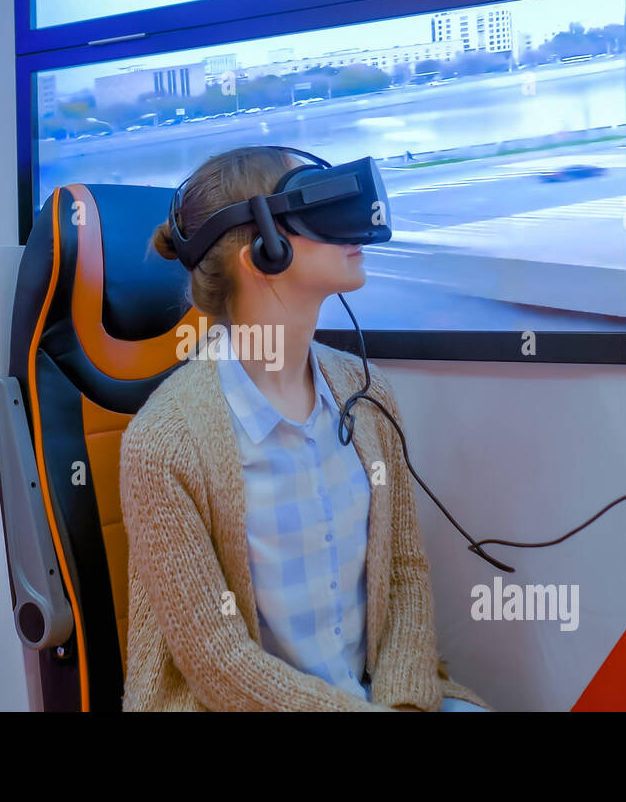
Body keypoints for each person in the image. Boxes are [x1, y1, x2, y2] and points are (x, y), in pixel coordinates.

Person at [119, 145, 491, 712]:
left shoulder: (364, 394)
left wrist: (403, 705)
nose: (354, 228)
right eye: (315, 207)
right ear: (260, 251)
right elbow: (219, 664)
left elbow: (405, 573)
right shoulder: (163, 445)